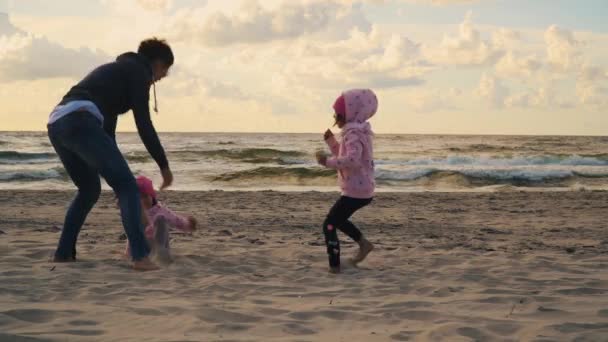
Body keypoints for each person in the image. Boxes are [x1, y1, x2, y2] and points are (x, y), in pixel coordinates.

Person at [46, 38, 175, 271]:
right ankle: (140, 257)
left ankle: (63, 254)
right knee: (128, 187)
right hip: (80, 119)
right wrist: (164, 166)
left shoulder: (118, 74)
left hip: (58, 122)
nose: (161, 77)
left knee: (89, 190)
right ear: (157, 63)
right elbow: (144, 124)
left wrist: (114, 174)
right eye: (164, 71)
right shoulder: (138, 73)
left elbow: (108, 133)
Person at [316, 89, 378, 274]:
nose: (335, 117)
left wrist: (326, 162)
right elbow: (344, 155)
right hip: (359, 189)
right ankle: (364, 244)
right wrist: (331, 142)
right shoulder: (355, 132)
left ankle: (334, 266)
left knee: (329, 224)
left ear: (349, 113)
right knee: (339, 220)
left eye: (338, 113)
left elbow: (352, 160)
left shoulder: (353, 134)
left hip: (356, 191)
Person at [124, 176, 197, 263]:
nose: (142, 200)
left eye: (145, 196)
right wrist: (128, 252)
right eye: (139, 198)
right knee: (134, 225)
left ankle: (161, 252)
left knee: (160, 218)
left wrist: (189, 224)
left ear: (152, 195)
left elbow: (176, 220)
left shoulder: (160, 210)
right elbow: (131, 235)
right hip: (145, 248)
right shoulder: (135, 212)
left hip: (160, 243)